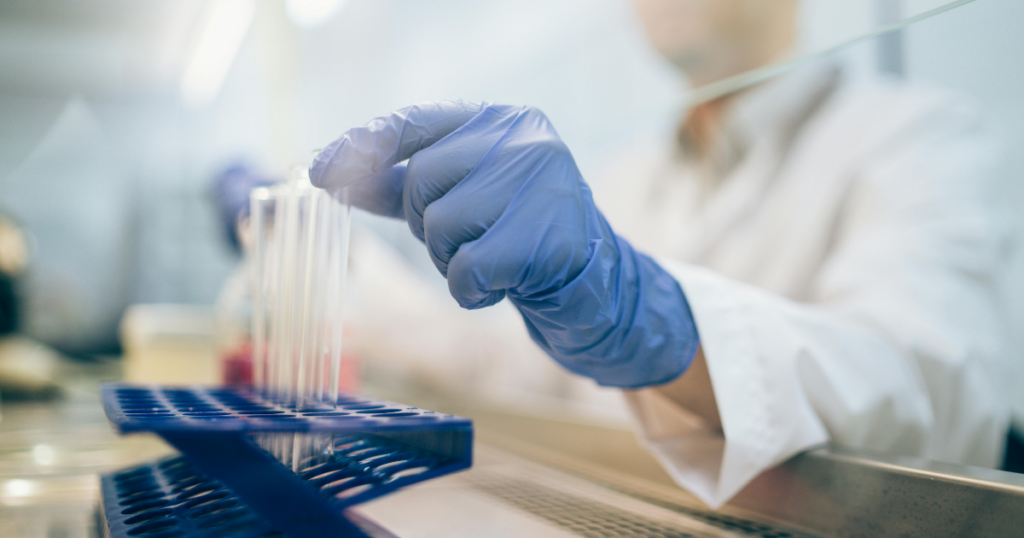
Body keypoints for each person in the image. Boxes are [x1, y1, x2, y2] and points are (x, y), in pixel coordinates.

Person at [309, 0, 1015, 507]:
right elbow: (513, 366)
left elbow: (930, 395)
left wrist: (647, 315)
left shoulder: (919, 138)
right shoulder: (624, 176)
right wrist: (339, 264)